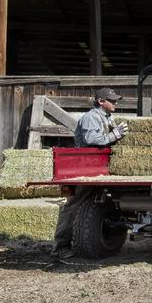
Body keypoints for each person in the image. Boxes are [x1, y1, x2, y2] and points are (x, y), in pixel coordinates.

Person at [51, 88, 129, 258]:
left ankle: (100, 237)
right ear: (101, 101)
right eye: (112, 100)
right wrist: (115, 135)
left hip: (99, 167)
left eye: (116, 100)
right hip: (85, 166)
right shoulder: (91, 118)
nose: (115, 103)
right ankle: (61, 246)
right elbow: (92, 140)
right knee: (74, 205)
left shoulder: (107, 118)